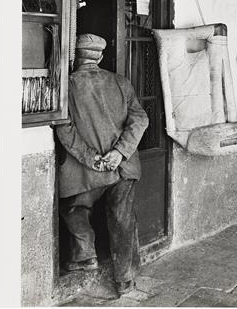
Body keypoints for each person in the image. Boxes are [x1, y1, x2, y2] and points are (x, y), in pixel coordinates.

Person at [55, 33, 149, 298]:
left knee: (73, 207)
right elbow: (140, 119)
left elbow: (66, 131)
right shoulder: (120, 81)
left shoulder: (67, 86)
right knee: (123, 219)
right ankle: (125, 281)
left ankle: (85, 254)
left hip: (89, 171)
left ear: (75, 57)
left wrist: (92, 159)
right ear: (100, 57)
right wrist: (119, 153)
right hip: (123, 167)